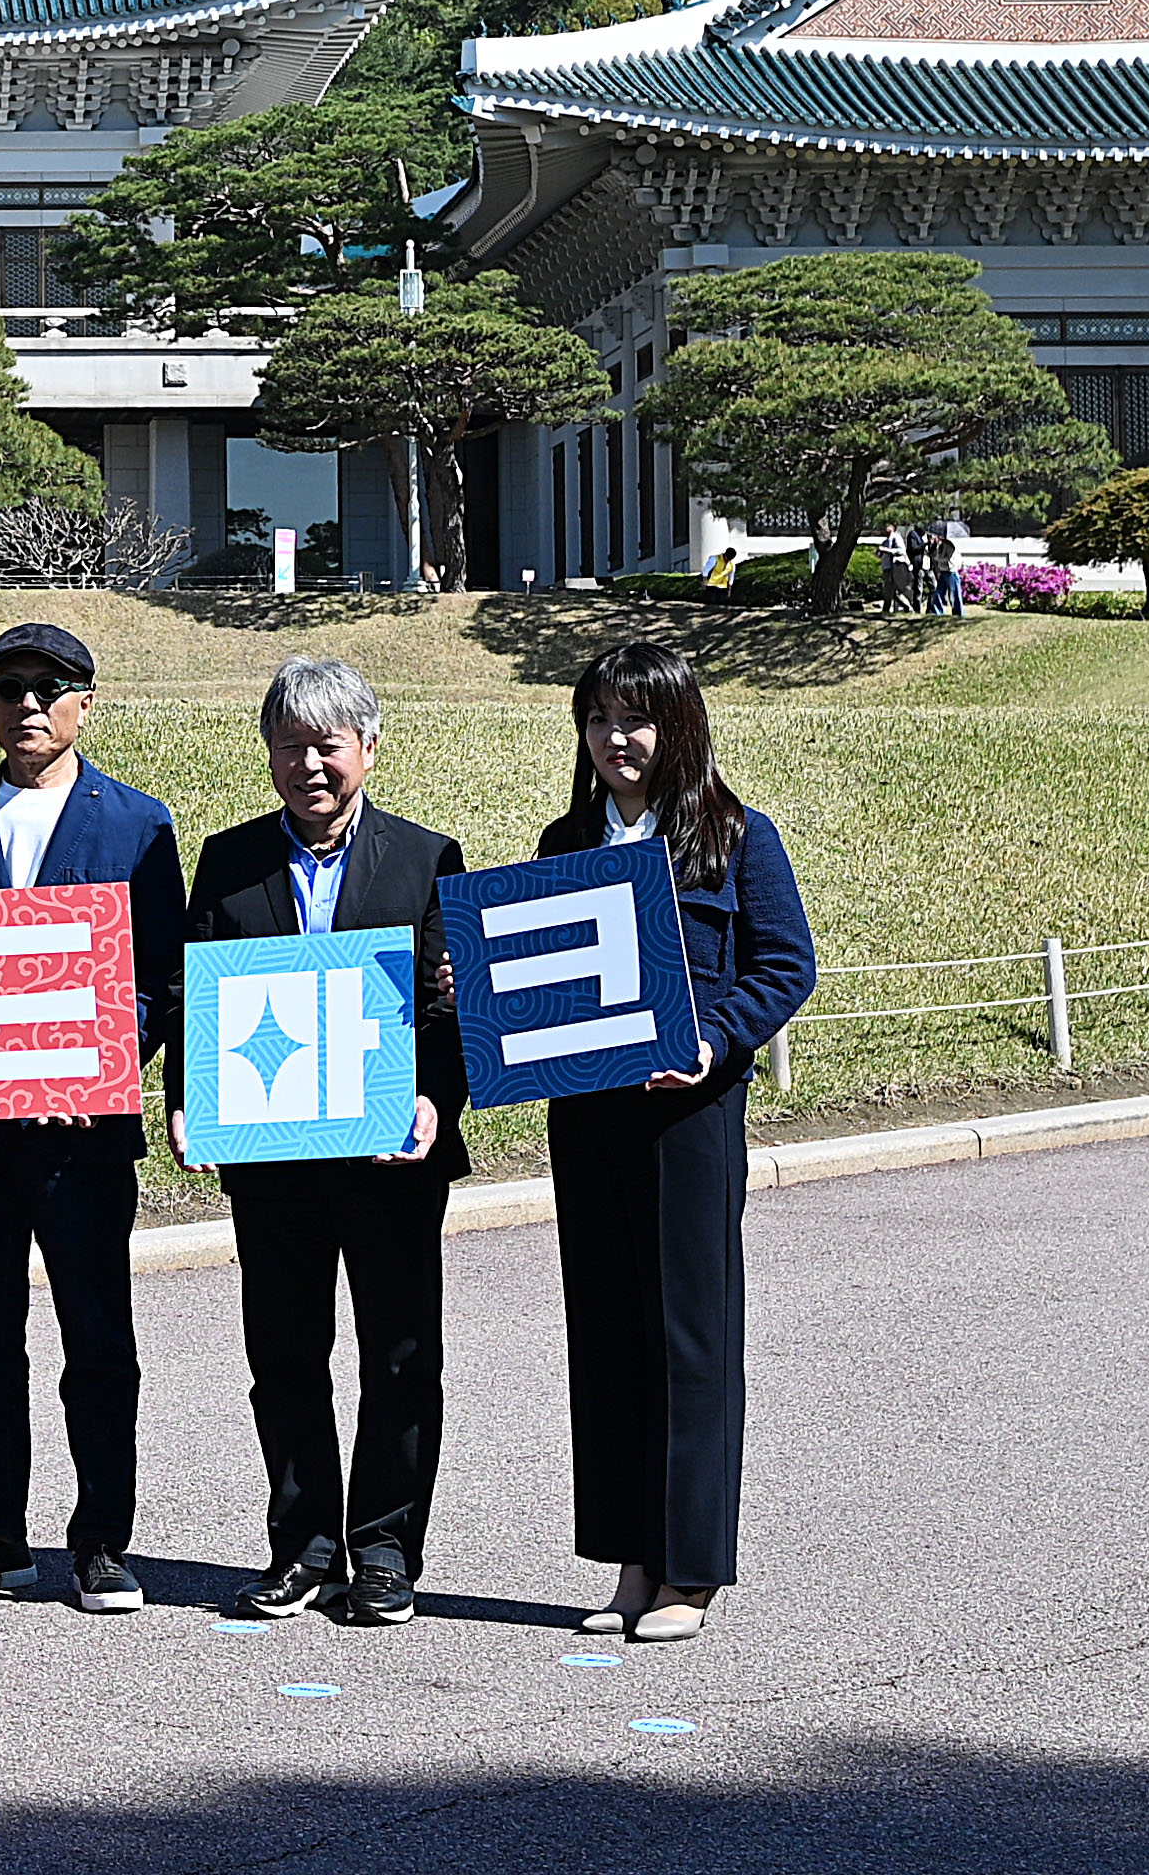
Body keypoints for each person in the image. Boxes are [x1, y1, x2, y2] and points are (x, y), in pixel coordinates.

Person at [0, 618, 182, 1612]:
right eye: (7, 686)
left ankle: (103, 1537)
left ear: (84, 702)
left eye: (47, 687)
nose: (26, 703)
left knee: (97, 1337)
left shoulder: (138, 824)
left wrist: (100, 1064)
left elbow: (158, 979)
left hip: (83, 1132)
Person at [535, 638, 818, 1645]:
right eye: (602, 718)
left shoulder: (738, 837)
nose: (619, 738)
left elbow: (787, 965)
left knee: (691, 1344)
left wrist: (712, 1035)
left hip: (691, 1122)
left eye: (639, 718)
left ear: (680, 726)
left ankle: (690, 1572)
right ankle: (631, 1562)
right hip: (591, 1121)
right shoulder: (564, 839)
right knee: (608, 1341)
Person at [179, 655, 470, 1630]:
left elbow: (449, 1010)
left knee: (399, 1353)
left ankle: (384, 1548)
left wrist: (438, 1099)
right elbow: (193, 999)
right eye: (290, 745)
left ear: (368, 749)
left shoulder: (428, 857)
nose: (310, 763)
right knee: (284, 1353)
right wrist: (186, 1100)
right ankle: (301, 1546)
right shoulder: (227, 862)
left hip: (389, 1153)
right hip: (272, 1158)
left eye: (328, 745)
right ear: (269, 755)